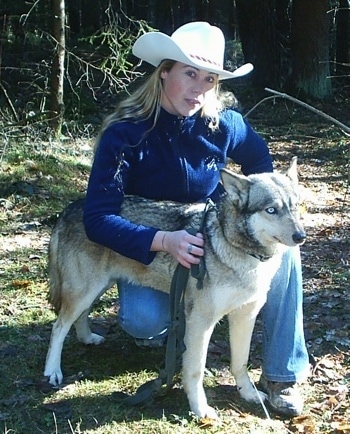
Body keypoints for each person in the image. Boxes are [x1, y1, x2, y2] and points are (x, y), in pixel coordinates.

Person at [83, 22, 310, 417]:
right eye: (190, 74)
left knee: (286, 252)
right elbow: (98, 219)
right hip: (150, 241)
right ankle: (181, 321)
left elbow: (261, 168)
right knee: (143, 323)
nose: (199, 88)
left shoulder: (226, 123)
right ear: (164, 71)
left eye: (209, 79)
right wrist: (162, 240)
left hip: (210, 232)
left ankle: (281, 374)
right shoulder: (125, 133)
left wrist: (236, 208)